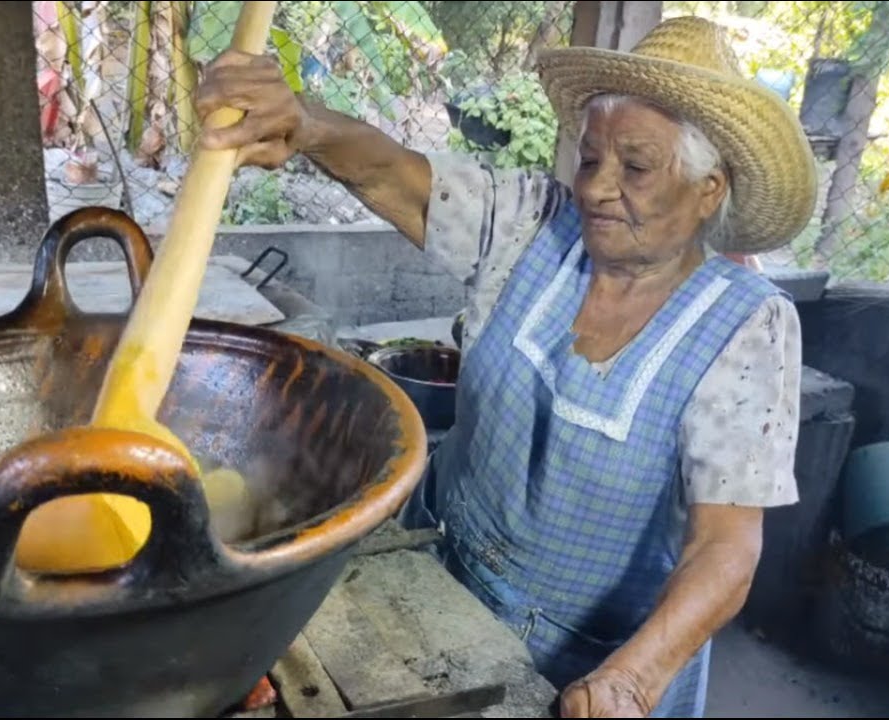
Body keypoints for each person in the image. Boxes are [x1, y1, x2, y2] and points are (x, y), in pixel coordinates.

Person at [196, 16, 817, 719]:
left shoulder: (746, 326)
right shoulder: (534, 223)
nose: (596, 189)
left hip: (597, 658)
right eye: (590, 159)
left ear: (709, 189)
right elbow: (396, 175)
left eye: (636, 167)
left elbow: (726, 547)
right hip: (435, 580)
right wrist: (303, 121)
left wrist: (631, 681)